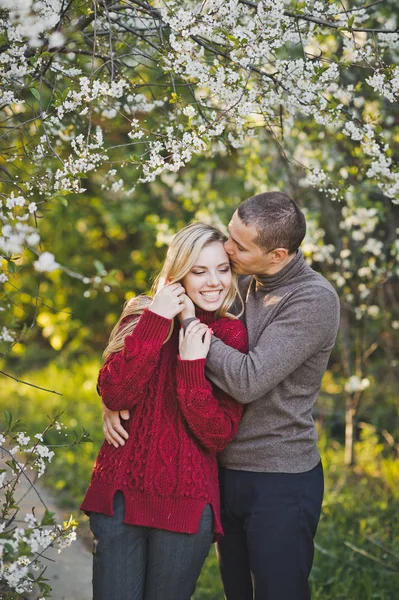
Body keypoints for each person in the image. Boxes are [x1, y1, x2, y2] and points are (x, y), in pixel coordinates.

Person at [103, 191, 340, 600]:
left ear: (278, 254)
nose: (227, 251)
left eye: (238, 246)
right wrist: (112, 400)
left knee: (277, 591)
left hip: (277, 475)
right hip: (220, 467)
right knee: (238, 592)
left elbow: (248, 380)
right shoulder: (241, 279)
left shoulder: (312, 299)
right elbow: (144, 356)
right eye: (229, 234)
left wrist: (190, 324)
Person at [81, 222, 248, 600]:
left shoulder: (229, 335)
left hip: (187, 506)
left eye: (223, 269)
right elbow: (115, 393)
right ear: (178, 273)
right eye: (199, 270)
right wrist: (156, 321)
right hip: (120, 496)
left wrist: (192, 368)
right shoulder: (142, 315)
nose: (214, 282)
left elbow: (218, 434)